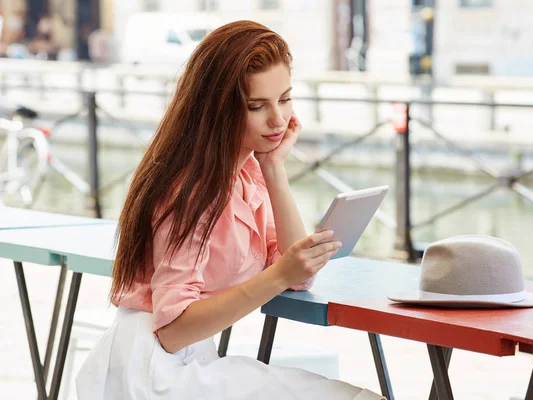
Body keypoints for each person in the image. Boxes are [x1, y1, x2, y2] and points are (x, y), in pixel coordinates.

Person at [75, 20, 385, 400]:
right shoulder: (190, 191)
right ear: (218, 109)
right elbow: (171, 331)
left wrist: (274, 169)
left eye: (285, 99)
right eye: (257, 106)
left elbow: (295, 274)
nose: (278, 120)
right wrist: (279, 275)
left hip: (191, 360)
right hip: (154, 371)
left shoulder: (248, 173)